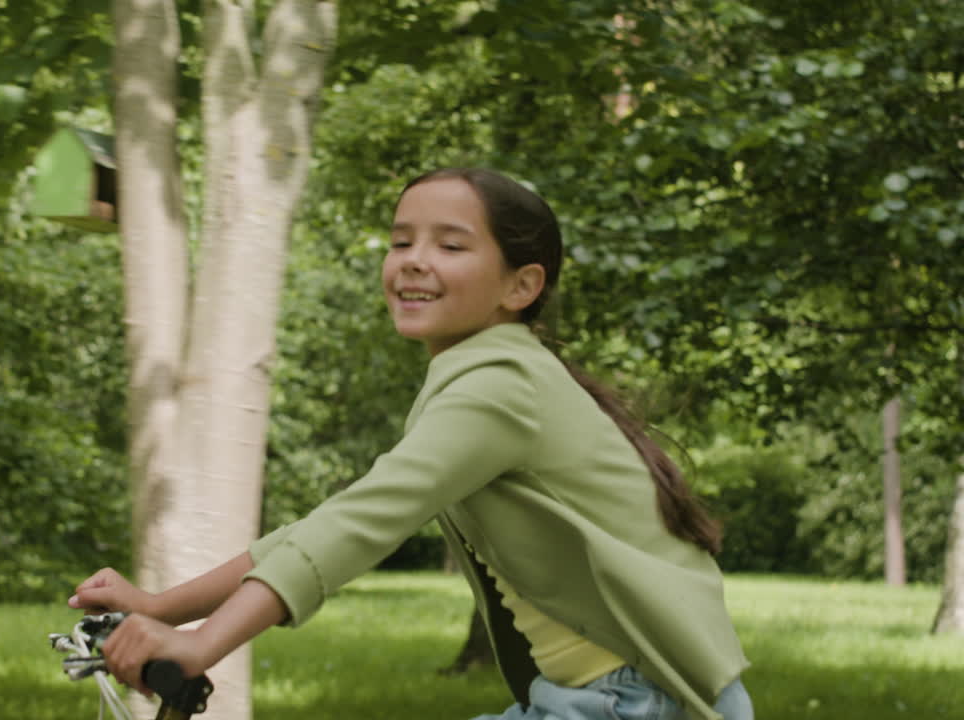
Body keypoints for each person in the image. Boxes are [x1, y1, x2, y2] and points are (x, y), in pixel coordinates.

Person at [68, 168, 754, 720]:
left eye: (451, 246)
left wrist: (201, 645)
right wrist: (163, 609)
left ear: (522, 285)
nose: (415, 262)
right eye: (401, 242)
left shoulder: (498, 384)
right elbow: (320, 529)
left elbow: (360, 523)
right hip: (608, 694)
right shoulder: (487, 373)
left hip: (631, 700)